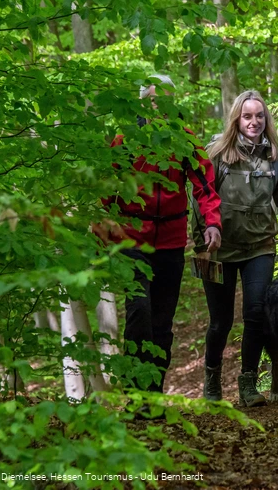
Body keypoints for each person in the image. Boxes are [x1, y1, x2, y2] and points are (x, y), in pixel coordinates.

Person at [95, 74, 222, 395]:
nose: (160, 105)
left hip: (171, 242)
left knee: (163, 324)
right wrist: (100, 230)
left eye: (165, 98)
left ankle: (152, 394)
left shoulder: (184, 138)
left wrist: (212, 223)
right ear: (143, 102)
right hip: (132, 239)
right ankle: (136, 393)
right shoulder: (126, 139)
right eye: (154, 98)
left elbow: (204, 184)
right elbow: (107, 190)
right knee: (139, 314)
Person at [190, 90, 278, 407]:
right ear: (236, 119)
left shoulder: (275, 158)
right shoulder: (217, 154)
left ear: (265, 120)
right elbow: (200, 199)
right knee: (220, 321)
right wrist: (201, 243)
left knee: (256, 314)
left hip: (260, 247)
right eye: (247, 116)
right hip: (217, 250)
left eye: (259, 116)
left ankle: (248, 384)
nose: (254, 121)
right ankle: (212, 380)